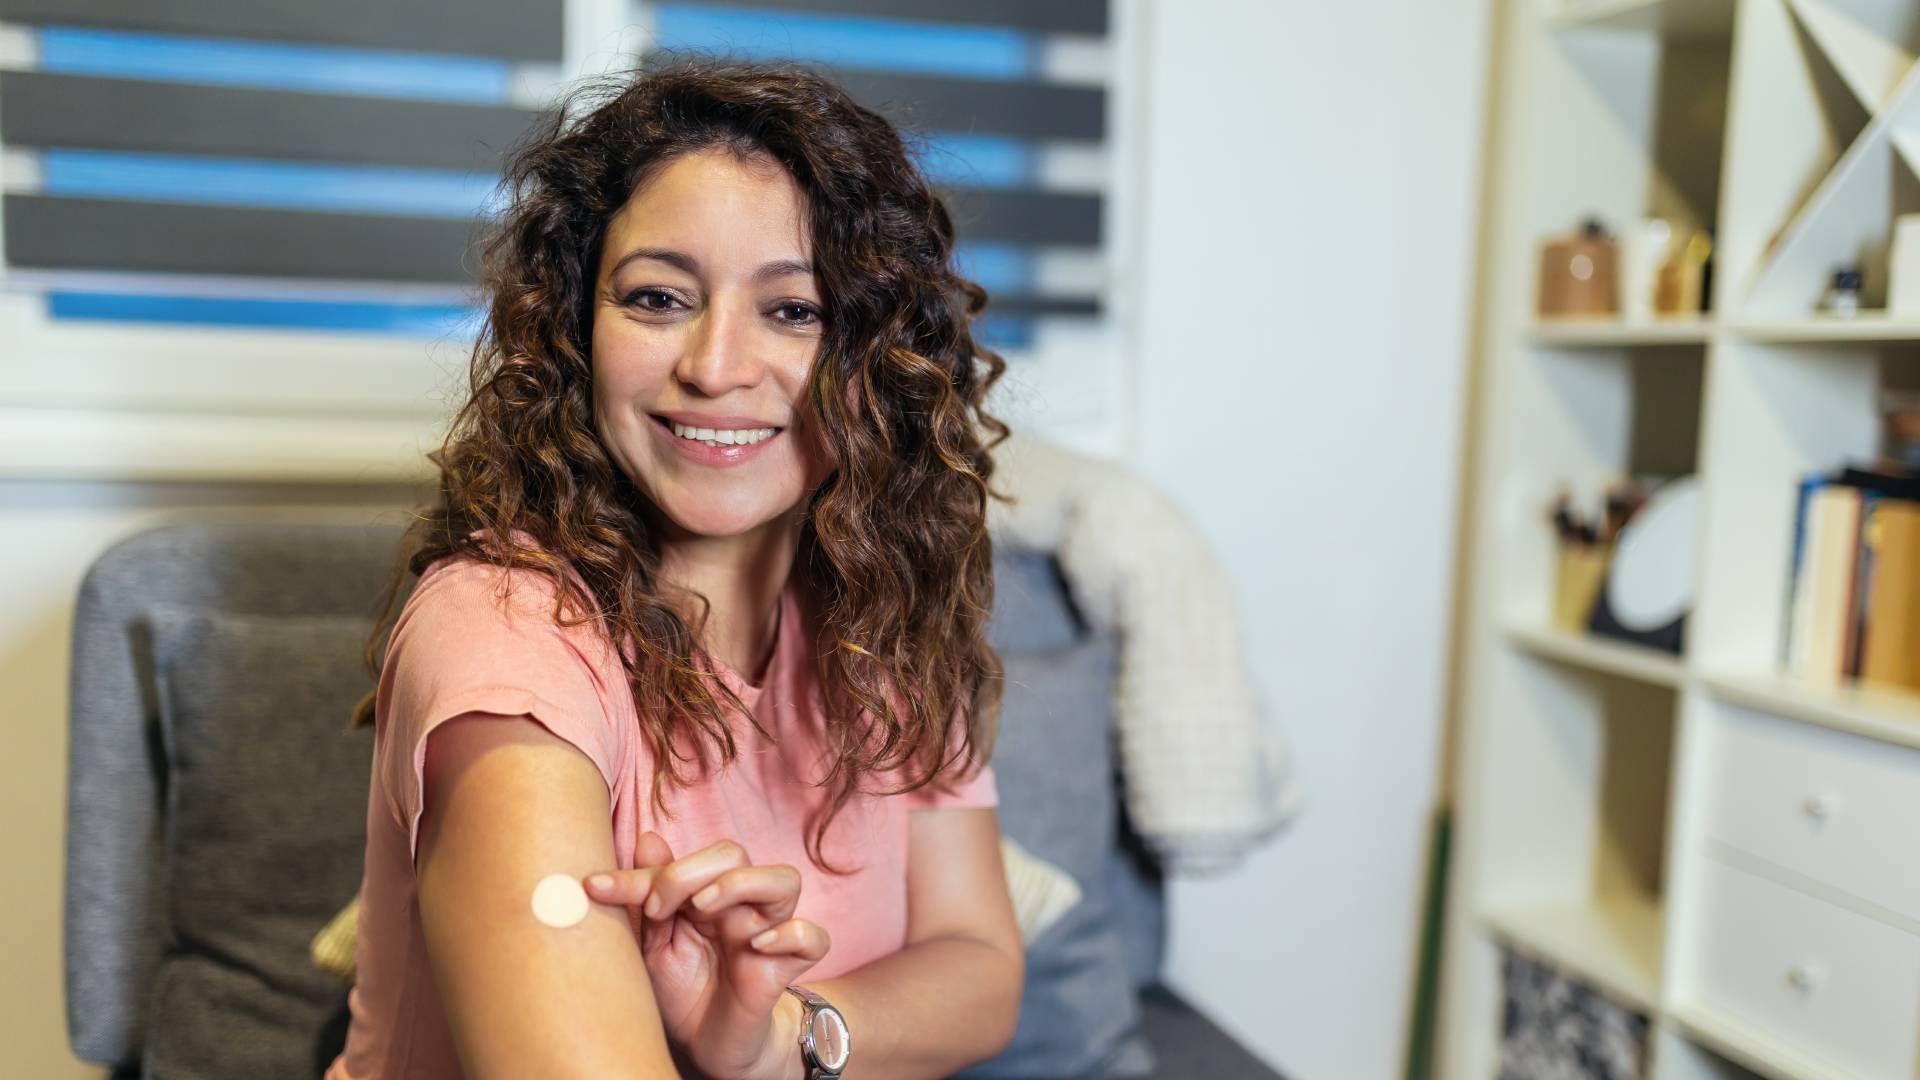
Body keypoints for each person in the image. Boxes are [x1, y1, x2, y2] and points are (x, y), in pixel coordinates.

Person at [324, 56, 1023, 1080]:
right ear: (577, 330)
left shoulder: (883, 609)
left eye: (795, 310)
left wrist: (781, 1037)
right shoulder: (508, 644)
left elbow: (979, 967)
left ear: (881, 362)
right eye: (657, 297)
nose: (714, 365)